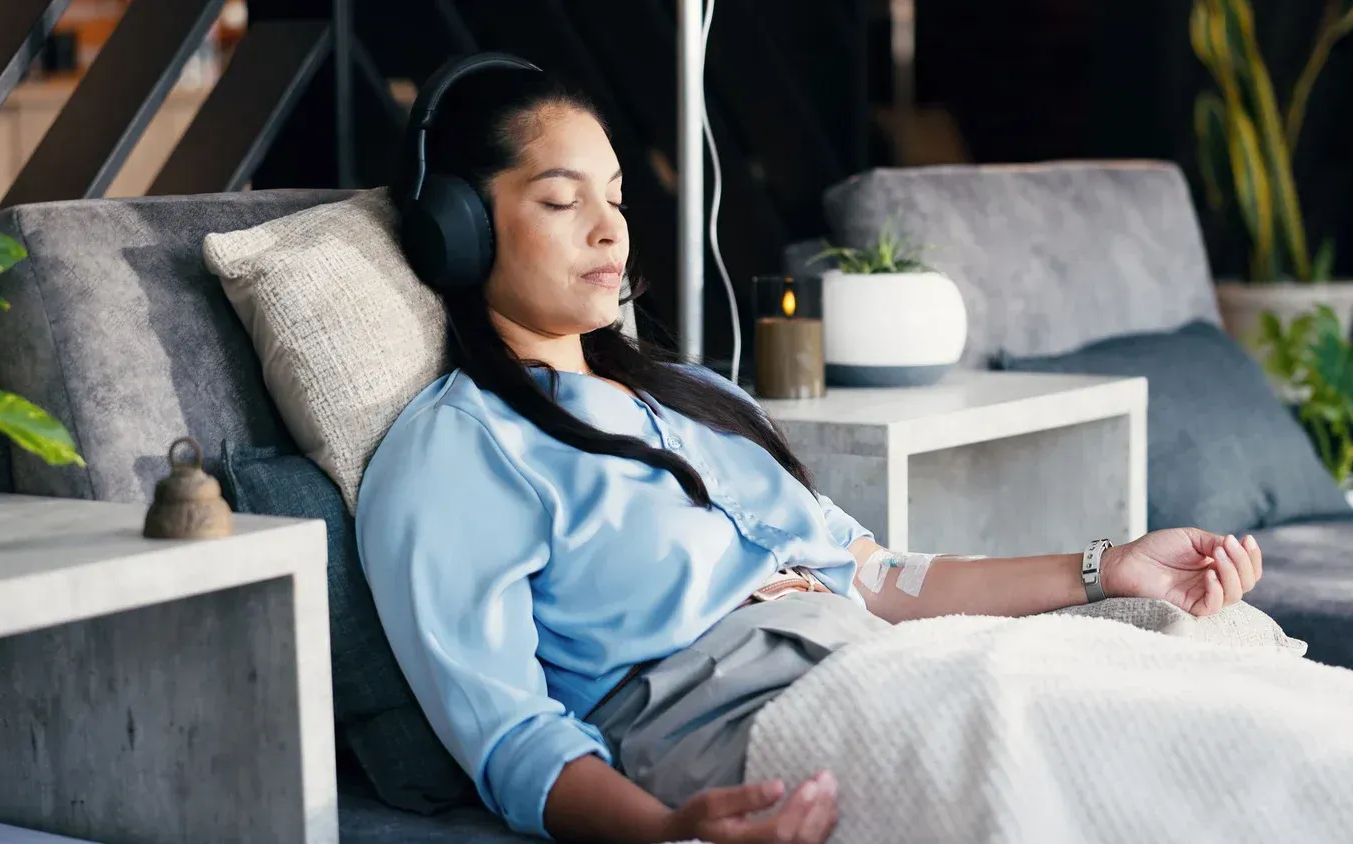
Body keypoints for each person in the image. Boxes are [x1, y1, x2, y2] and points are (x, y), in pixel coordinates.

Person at [357, 54, 1264, 844]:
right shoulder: (455, 451)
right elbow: (511, 737)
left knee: (1214, 690)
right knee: (1129, 766)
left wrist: (1111, 566)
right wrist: (668, 831)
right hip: (723, 709)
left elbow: (877, 575)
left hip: (868, 649)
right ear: (462, 227)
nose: (609, 228)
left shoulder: (698, 395)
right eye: (561, 199)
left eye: (618, 197)